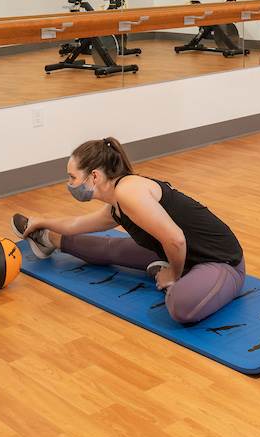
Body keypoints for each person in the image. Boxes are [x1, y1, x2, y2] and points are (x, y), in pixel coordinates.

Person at [13, 137, 245, 324]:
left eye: (72, 177)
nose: (69, 184)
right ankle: (48, 239)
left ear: (94, 176)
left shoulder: (129, 192)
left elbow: (176, 240)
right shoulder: (117, 201)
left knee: (180, 306)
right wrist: (42, 222)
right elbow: (76, 224)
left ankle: (177, 274)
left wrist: (173, 275)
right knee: (110, 248)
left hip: (220, 262)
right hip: (174, 252)